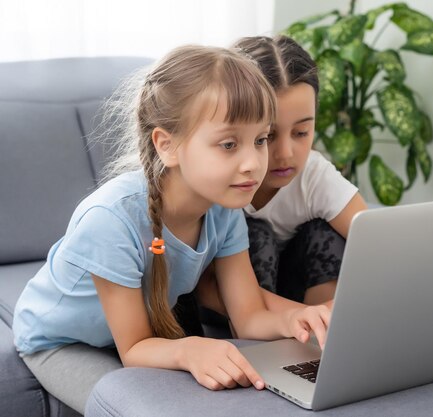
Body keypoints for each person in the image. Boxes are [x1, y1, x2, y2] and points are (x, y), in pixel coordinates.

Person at [12, 45, 330, 414]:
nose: (253, 163)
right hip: (62, 343)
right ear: (167, 145)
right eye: (229, 144)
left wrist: (295, 318)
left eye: (260, 140)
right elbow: (133, 349)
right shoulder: (110, 221)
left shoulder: (224, 209)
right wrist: (190, 348)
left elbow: (248, 317)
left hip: (131, 337)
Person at [196, 35, 368, 323]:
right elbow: (199, 285)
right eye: (268, 136)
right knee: (256, 236)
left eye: (301, 133)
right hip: (227, 304)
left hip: (295, 300)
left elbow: (380, 246)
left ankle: (319, 339)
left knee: (325, 234)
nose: (286, 154)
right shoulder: (213, 178)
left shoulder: (314, 176)